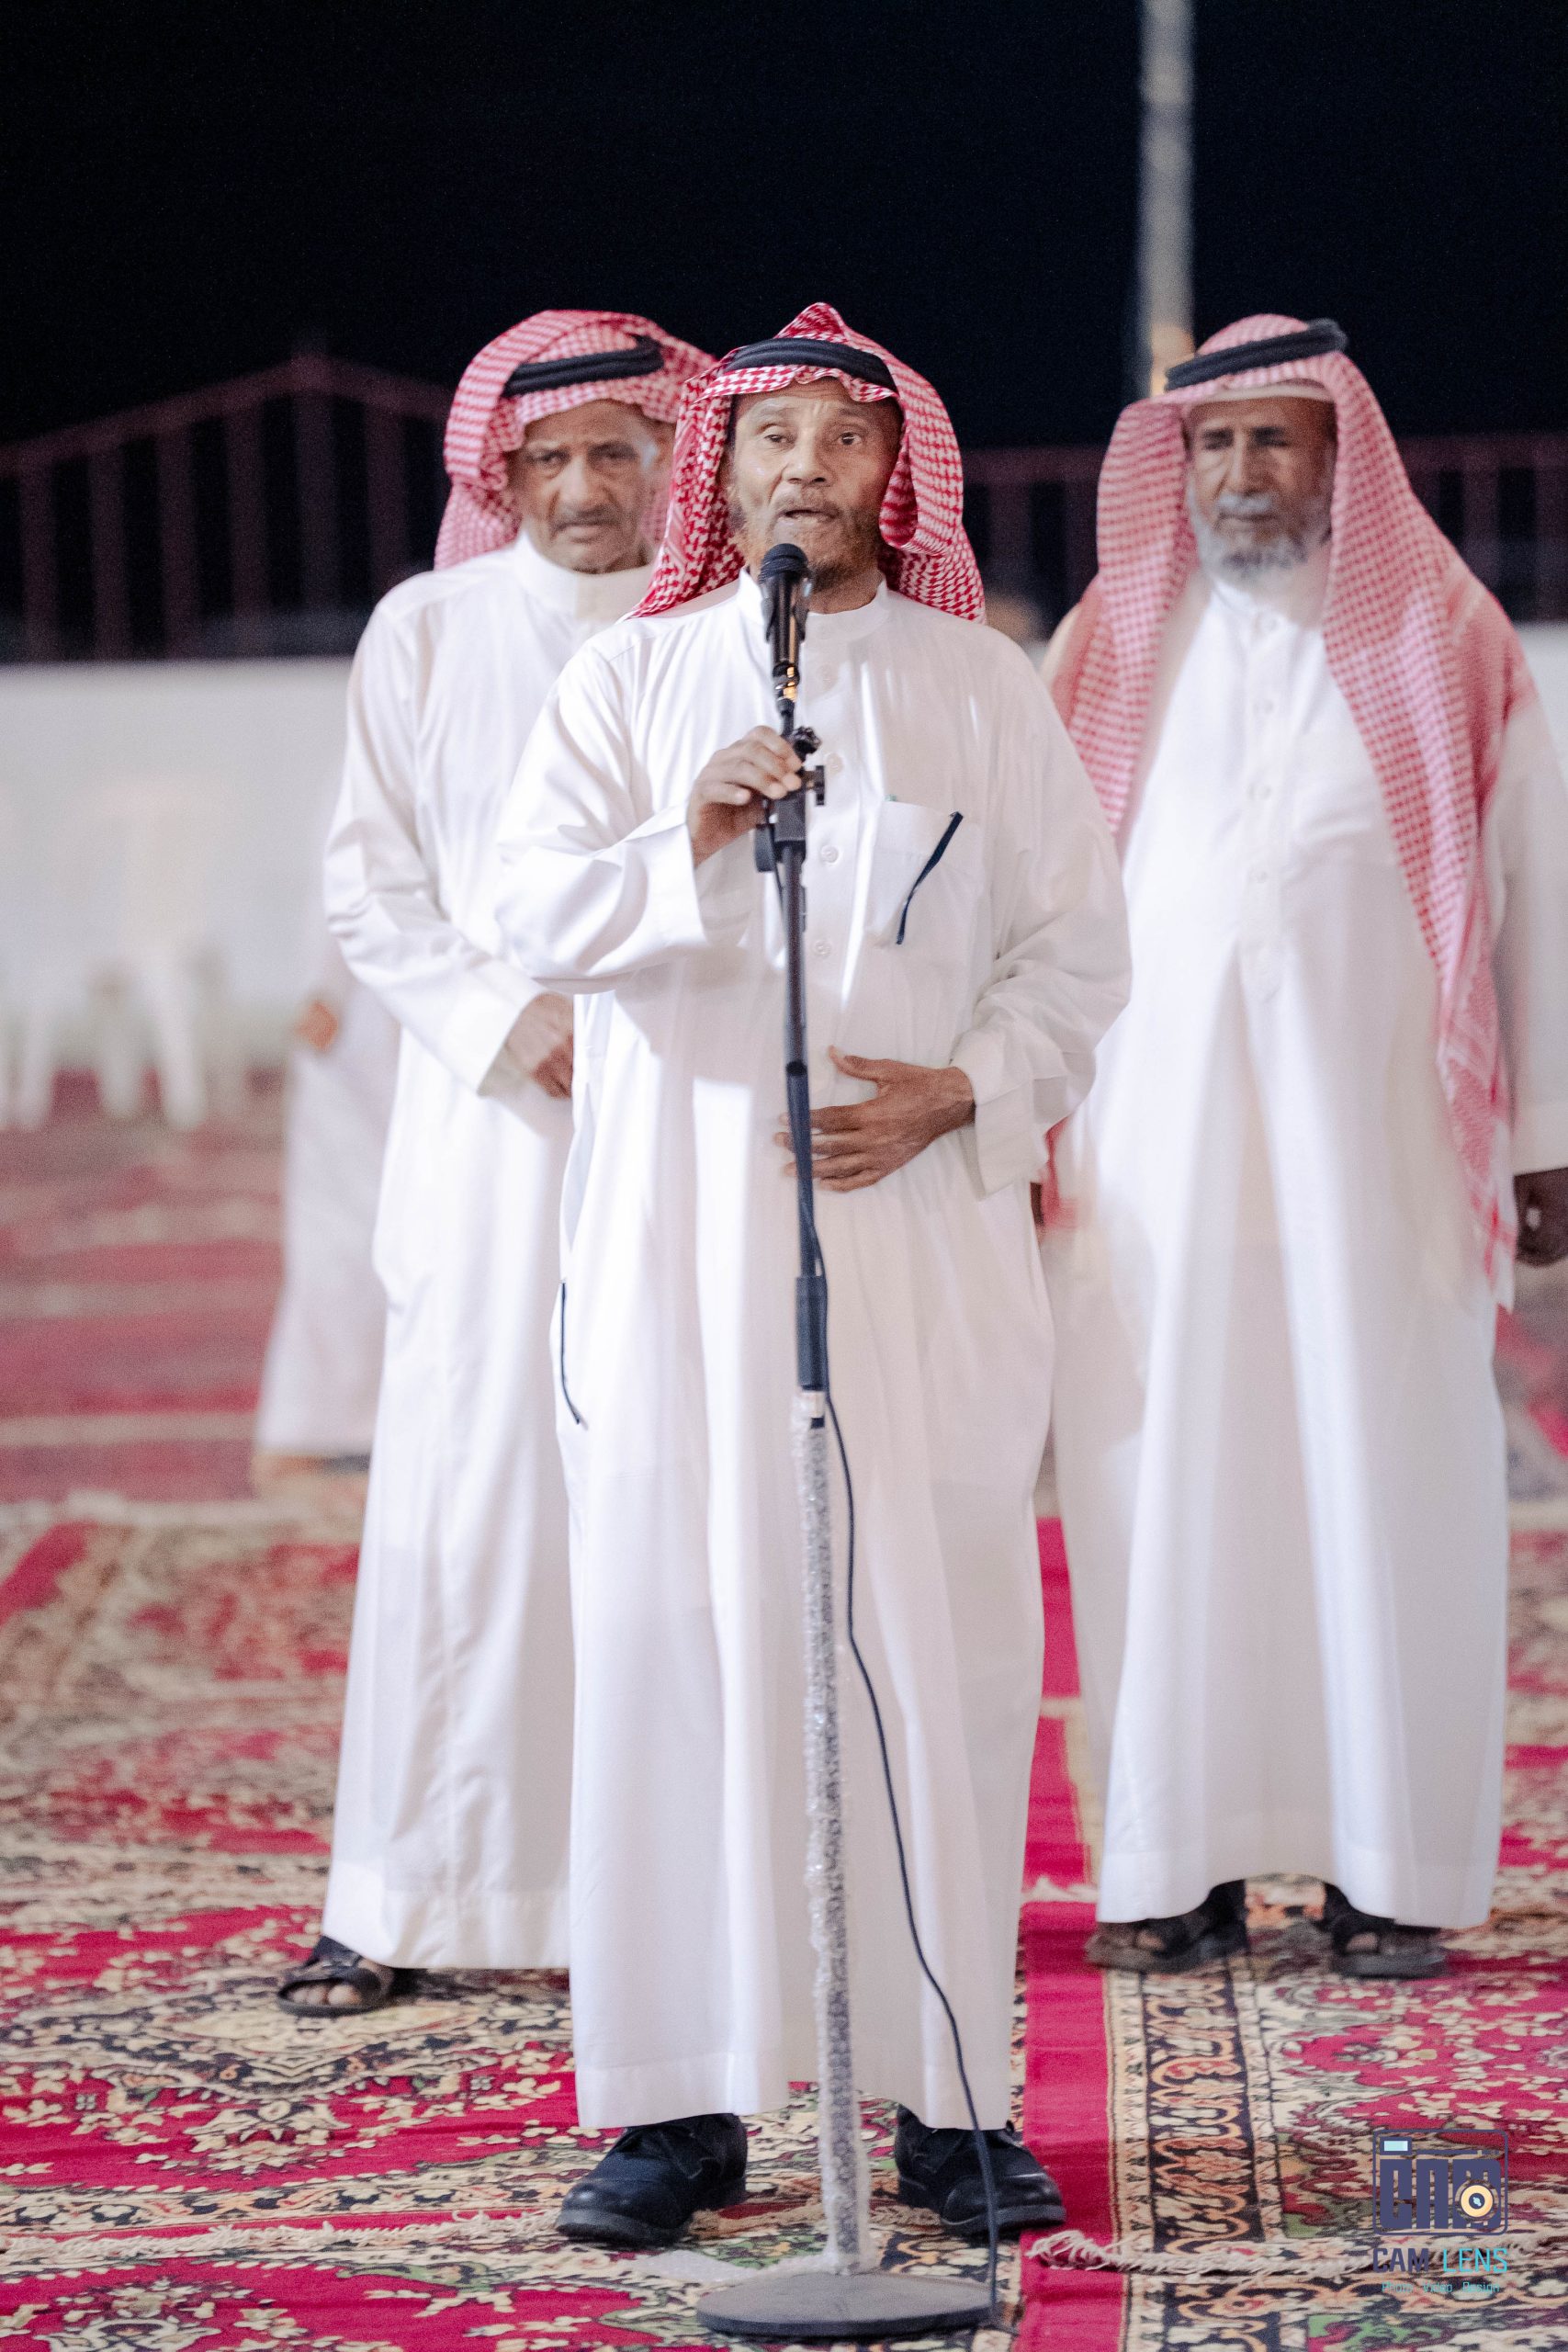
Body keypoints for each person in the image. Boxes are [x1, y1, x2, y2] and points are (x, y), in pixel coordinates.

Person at [494, 304, 1130, 2245]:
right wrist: (683, 834)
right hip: (678, 1258)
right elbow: (522, 908)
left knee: (933, 1653)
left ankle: (951, 2103)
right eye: (768, 438)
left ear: (890, 470)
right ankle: (677, 2108)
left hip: (919, 1255)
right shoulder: (627, 680)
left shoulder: (979, 684)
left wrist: (966, 1088)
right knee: (678, 1651)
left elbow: (1076, 952)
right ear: (722, 465)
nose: (802, 470)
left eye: (839, 439)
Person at [1043, 315, 1568, 1981]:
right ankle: (1171, 1864)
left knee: (1383, 1477)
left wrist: (1543, 1136)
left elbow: (1536, 895)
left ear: (1341, 456)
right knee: (1154, 1491)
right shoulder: (1109, 644)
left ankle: (1385, 1869)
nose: (1238, 472)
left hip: (1381, 1157)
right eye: (1210, 443)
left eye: (1273, 438)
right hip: (1154, 1168)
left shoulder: (1443, 637)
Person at [276, 311, 711, 2014]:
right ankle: (406, 1896)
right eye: (550, 459)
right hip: (488, 1134)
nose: (583, 486)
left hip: (677, 1122)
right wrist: (499, 1019)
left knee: (670, 1499)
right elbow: (367, 882)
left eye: (617, 451)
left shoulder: (715, 632)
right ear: (501, 475)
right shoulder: (428, 630)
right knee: (468, 1500)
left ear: (671, 459)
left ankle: (666, 1896)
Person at [253, 938, 399, 1483]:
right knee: (347, 1225)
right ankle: (319, 1423)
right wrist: (328, 985)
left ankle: (341, 1419)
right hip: (370, 994)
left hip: (395, 988)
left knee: (365, 1220)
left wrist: (328, 983)